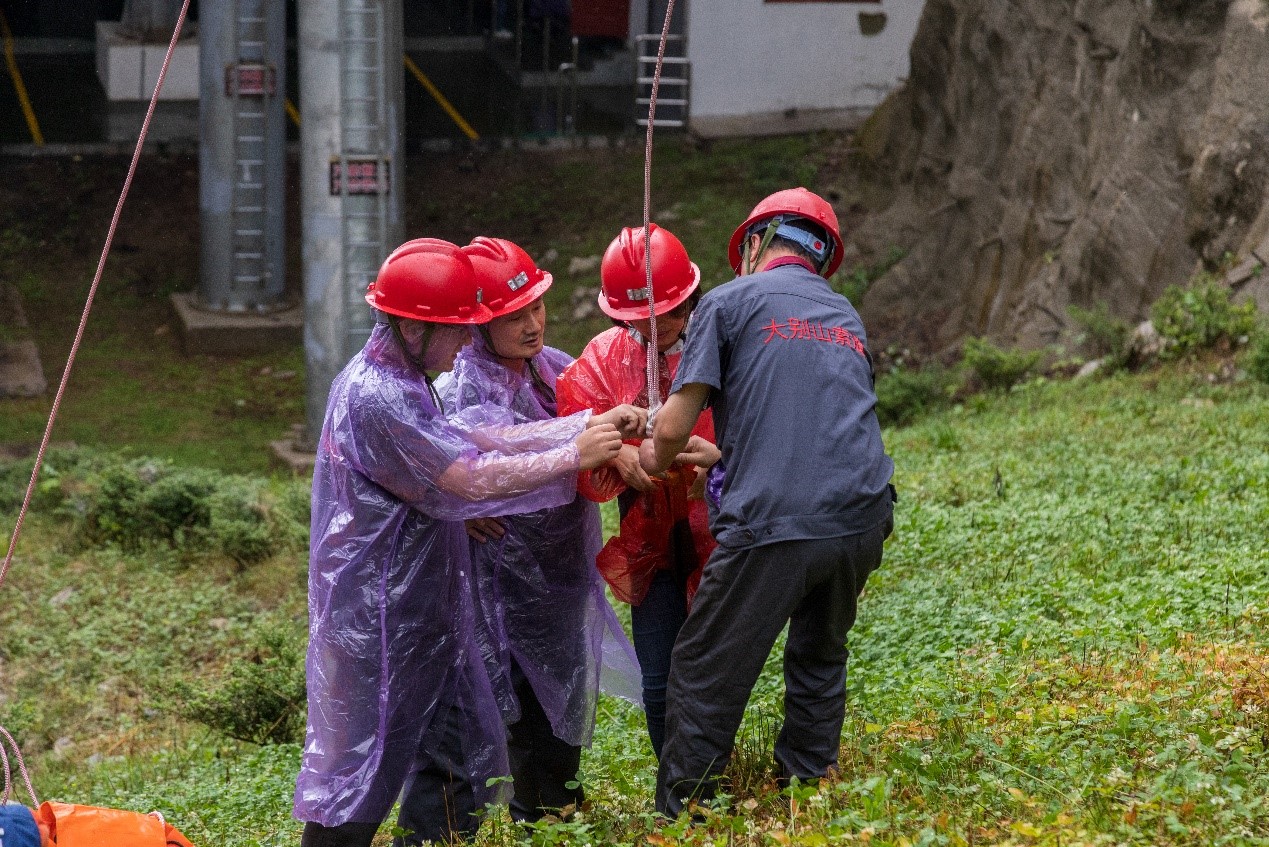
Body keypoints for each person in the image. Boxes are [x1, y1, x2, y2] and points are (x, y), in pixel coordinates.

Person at [294, 238, 646, 847]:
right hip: (379, 617)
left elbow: (483, 442)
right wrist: (571, 452)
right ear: (411, 325)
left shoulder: (406, 380)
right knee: (365, 771)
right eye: (461, 328)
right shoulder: (380, 395)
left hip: (422, 609)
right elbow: (467, 478)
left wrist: (583, 425)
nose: (466, 342)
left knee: (455, 749)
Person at [638, 189, 896, 817]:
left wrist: (646, 461)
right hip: (863, 516)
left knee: (704, 668)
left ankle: (686, 816)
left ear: (755, 244)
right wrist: (727, 457)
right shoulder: (844, 314)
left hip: (772, 524)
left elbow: (672, 428)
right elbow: (820, 425)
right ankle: (806, 791)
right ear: (820, 256)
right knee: (820, 653)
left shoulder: (725, 304)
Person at [433, 237, 642, 823]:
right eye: (512, 315)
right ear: (479, 324)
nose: (532, 324)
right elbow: (485, 459)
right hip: (504, 586)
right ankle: (539, 818)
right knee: (521, 706)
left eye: (536, 306)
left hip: (564, 576)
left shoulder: (554, 370)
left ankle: (564, 806)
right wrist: (579, 441)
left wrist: (615, 445)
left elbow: (593, 431)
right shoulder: (460, 390)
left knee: (568, 696)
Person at [556, 224, 721, 759]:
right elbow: (573, 427)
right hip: (649, 539)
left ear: (691, 299)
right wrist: (615, 449)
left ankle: (713, 781)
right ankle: (674, 785)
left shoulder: (721, 342)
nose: (657, 330)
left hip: (719, 527)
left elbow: (764, 427)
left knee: (715, 668)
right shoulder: (604, 356)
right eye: (640, 321)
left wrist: (718, 468)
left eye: (671, 315)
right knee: (659, 676)